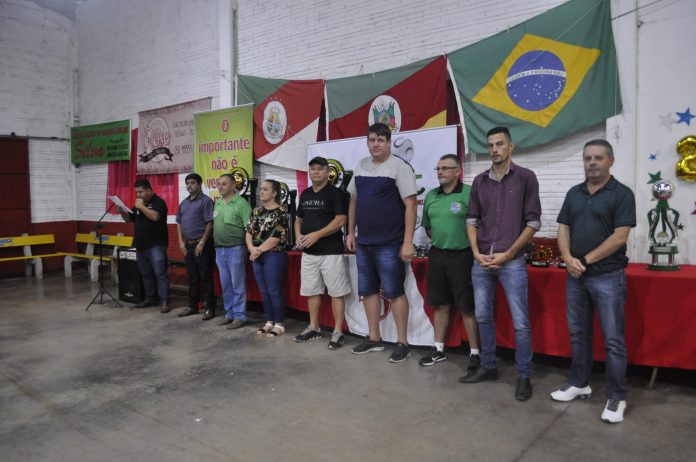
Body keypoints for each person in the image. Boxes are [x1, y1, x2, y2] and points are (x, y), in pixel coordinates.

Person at [552, 139, 636, 424]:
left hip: (607, 276)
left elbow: (620, 237)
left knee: (613, 341)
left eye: (598, 158)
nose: (592, 163)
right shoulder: (574, 193)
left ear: (610, 161)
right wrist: (567, 258)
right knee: (578, 334)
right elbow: (563, 228)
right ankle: (579, 383)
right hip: (576, 277)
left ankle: (617, 396)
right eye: (588, 158)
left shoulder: (622, 194)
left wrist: (584, 260)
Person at [460, 126, 541, 402]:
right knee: (483, 316)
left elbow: (533, 223)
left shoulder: (526, 178)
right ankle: (488, 366)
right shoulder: (479, 182)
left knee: (520, 322)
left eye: (500, 144)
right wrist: (475, 253)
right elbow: (472, 221)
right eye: (490, 145)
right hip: (482, 260)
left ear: (511, 147)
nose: (494, 149)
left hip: (512, 262)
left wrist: (508, 254)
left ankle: (524, 376)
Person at [346, 122, 418, 363]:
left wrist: (407, 242)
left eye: (380, 140)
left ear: (388, 143)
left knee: (395, 292)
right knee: (368, 292)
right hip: (364, 243)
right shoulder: (361, 166)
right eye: (371, 140)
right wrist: (350, 233)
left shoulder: (400, 167)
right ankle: (374, 338)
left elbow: (411, 205)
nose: (375, 144)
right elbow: (353, 201)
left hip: (390, 243)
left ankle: (402, 342)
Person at [419, 154, 481, 375]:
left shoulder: (470, 193)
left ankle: (475, 353)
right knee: (441, 304)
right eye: (438, 169)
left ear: (458, 171)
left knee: (467, 306)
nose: (440, 172)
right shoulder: (431, 195)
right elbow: (428, 227)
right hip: (437, 255)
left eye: (445, 168)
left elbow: (480, 224)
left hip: (463, 256)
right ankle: (438, 349)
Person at [294, 156, 350, 350]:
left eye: (319, 169)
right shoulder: (306, 193)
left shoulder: (336, 193)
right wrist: (298, 235)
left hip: (331, 253)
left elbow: (341, 220)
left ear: (327, 172)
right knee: (312, 291)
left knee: (337, 293)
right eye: (312, 169)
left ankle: (338, 331)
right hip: (309, 254)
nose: (316, 172)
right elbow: (298, 219)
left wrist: (317, 235)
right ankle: (314, 327)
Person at [118, 178, 171, 313]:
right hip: (141, 245)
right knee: (146, 274)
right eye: (136, 192)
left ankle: (165, 301)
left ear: (149, 190)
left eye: (140, 192)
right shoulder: (138, 205)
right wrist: (122, 210)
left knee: (160, 273)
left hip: (156, 245)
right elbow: (128, 220)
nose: (138, 195)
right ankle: (150, 298)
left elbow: (155, 217)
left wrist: (141, 207)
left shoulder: (158, 202)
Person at [246, 179, 289, 338]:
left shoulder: (281, 212)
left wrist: (257, 250)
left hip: (274, 255)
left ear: (274, 193)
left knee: (274, 290)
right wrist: (251, 248)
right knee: (264, 291)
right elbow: (249, 232)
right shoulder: (256, 211)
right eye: (261, 189)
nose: (261, 192)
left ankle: (279, 324)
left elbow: (276, 237)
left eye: (265, 189)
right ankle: (269, 321)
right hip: (257, 255)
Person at [174, 173, 215, 319]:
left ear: (199, 184)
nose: (189, 185)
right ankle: (192, 306)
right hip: (189, 245)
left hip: (202, 245)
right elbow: (179, 222)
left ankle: (210, 308)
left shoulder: (206, 201)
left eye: (192, 183)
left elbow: (210, 223)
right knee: (192, 278)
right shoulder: (184, 203)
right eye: (187, 183)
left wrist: (202, 242)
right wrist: (181, 242)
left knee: (205, 277)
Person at [214, 173, 252, 328]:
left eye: (224, 184)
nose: (220, 186)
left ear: (233, 185)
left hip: (236, 249)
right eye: (219, 184)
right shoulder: (218, 203)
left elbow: (249, 228)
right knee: (226, 285)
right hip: (219, 250)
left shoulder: (242, 203)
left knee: (238, 284)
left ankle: (240, 316)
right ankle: (229, 314)